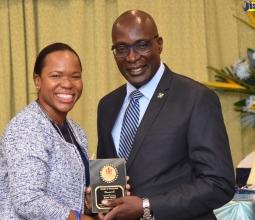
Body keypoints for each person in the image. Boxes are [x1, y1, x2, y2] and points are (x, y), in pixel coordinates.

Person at [96, 10, 235, 220]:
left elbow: (219, 183)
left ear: (159, 44)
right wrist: (96, 202)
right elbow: (108, 176)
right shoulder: (107, 105)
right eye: (121, 49)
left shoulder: (196, 98)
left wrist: (147, 206)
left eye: (142, 45)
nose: (132, 57)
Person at [0, 43, 98, 220]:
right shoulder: (27, 126)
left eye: (75, 76)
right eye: (56, 76)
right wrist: (78, 219)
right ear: (38, 81)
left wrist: (89, 203)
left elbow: (67, 199)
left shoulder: (76, 130)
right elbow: (28, 201)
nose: (67, 84)